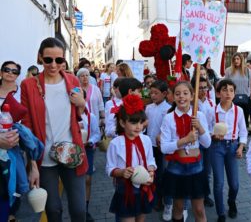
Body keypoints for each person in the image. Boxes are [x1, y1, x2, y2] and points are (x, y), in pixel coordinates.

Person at [21, 37, 88, 221]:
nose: (53, 65)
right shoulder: (29, 85)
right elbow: (26, 127)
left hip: (71, 152)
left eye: (59, 60)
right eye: (48, 59)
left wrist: (82, 103)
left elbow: (78, 115)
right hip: (45, 158)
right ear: (40, 57)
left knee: (79, 210)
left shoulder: (72, 80)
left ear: (64, 60)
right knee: (53, 210)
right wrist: (32, 165)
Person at [160, 81, 211, 222]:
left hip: (196, 167)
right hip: (176, 167)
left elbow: (207, 144)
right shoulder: (168, 118)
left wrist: (200, 127)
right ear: (173, 97)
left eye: (185, 93)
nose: (181, 97)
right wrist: (184, 140)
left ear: (192, 95)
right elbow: (164, 147)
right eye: (177, 94)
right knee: (178, 208)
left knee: (199, 210)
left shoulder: (199, 116)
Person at [106, 94, 156, 221]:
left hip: (143, 187)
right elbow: (110, 168)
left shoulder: (146, 140)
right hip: (125, 190)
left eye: (141, 122)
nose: (138, 126)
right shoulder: (115, 143)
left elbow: (150, 161)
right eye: (133, 122)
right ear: (122, 122)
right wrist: (122, 172)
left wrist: (150, 172)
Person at [210, 79, 247, 222]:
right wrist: (212, 135)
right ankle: (220, 212)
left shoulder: (239, 111)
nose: (228, 93)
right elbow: (205, 130)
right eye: (224, 90)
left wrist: (241, 146)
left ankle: (232, 201)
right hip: (216, 147)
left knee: (235, 184)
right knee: (218, 182)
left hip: (232, 147)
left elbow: (243, 132)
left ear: (234, 93)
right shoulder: (213, 110)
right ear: (218, 93)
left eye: (231, 90)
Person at [144, 80, 170, 211]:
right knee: (151, 172)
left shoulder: (168, 109)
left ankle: (160, 199)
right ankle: (152, 197)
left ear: (164, 93)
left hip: (161, 147)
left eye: (156, 93)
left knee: (161, 173)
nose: (153, 95)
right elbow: (146, 125)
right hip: (149, 146)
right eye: (151, 92)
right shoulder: (148, 108)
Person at [193, 77, 215, 208]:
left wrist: (213, 132)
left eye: (204, 87)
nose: (202, 90)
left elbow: (213, 122)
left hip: (208, 140)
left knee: (207, 170)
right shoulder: (192, 104)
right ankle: (197, 194)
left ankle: (205, 195)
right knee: (197, 169)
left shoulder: (211, 103)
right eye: (199, 88)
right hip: (195, 141)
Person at [80, 91, 101, 222]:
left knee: (87, 180)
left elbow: (97, 134)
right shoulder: (67, 115)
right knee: (75, 182)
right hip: (72, 151)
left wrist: (90, 141)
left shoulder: (90, 116)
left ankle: (85, 209)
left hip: (87, 149)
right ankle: (78, 209)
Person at [224, 53, 251, 129]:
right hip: (233, 98)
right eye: (234, 59)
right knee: (234, 118)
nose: (236, 61)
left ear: (241, 60)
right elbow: (225, 85)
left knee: (245, 119)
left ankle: (243, 136)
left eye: (238, 59)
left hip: (246, 98)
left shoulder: (247, 71)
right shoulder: (228, 71)